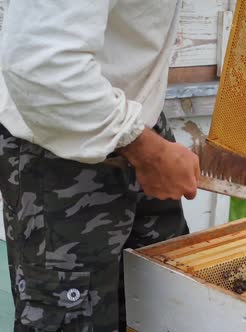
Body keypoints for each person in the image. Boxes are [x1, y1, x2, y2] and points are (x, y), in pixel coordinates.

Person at [0, 0, 201, 330]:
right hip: (63, 151)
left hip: (137, 129)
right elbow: (42, 63)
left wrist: (146, 140)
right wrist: (146, 150)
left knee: (161, 308)